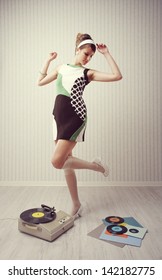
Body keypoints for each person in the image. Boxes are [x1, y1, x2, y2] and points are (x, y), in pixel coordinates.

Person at [37, 33, 122, 219]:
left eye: (91, 56)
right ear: (77, 49)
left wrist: (106, 54)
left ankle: (97, 166)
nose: (88, 58)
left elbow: (117, 76)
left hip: (75, 117)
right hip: (57, 117)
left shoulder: (87, 73)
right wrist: (47, 60)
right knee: (67, 163)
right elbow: (40, 82)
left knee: (57, 162)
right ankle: (76, 203)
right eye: (86, 53)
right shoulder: (61, 68)